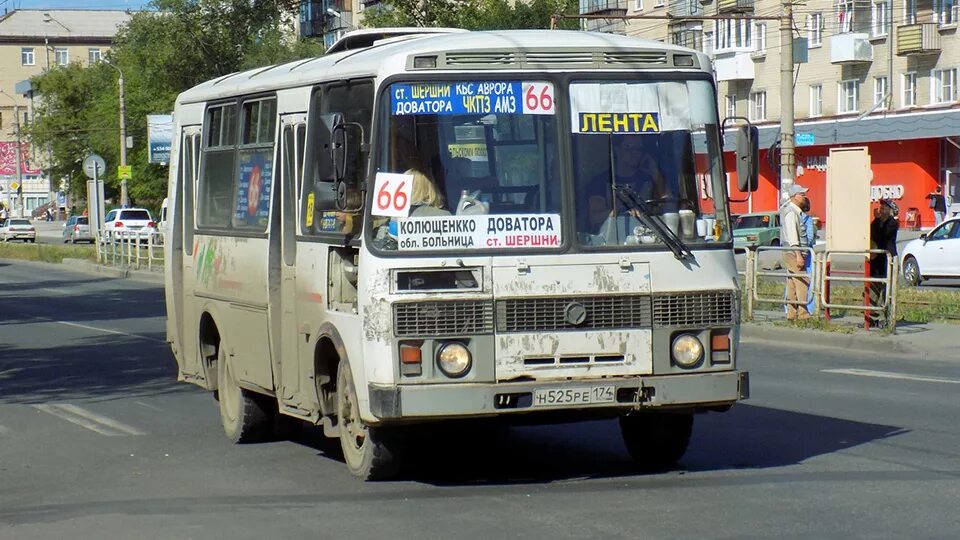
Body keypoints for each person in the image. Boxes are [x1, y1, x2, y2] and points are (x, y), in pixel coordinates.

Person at [779, 183, 811, 321]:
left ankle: (791, 313)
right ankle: (803, 314)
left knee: (792, 282)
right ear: (794, 196)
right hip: (794, 253)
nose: (804, 197)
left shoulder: (794, 211)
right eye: (802, 194)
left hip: (792, 252)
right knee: (802, 281)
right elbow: (793, 236)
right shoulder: (791, 213)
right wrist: (799, 255)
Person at [868, 199, 899, 328]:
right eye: (881, 206)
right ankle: (871, 318)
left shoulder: (892, 223)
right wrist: (876, 220)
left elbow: (884, 236)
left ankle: (888, 318)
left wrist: (879, 221)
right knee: (873, 289)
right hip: (877, 260)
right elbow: (872, 235)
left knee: (888, 291)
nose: (881, 209)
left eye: (885, 207)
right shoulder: (876, 222)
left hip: (888, 259)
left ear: (891, 210)